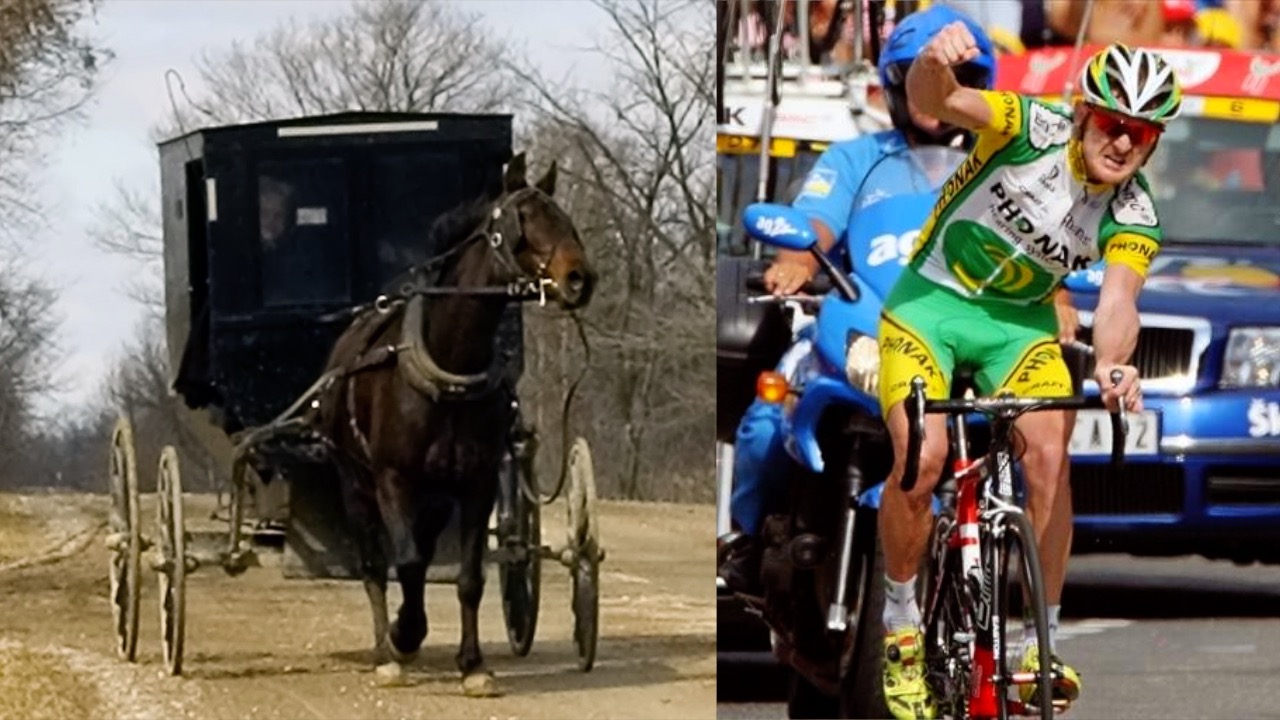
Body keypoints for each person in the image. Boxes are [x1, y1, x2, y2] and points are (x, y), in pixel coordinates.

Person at [875, 30, 1180, 719]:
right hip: (929, 306)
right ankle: (898, 624)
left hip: (1020, 326)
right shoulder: (1027, 125)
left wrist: (1111, 364)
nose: (1125, 144)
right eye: (1114, 123)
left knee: (1048, 457)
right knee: (920, 459)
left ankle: (1041, 640)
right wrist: (931, 63)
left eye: (1144, 133)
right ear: (1082, 111)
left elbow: (1119, 300)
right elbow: (939, 99)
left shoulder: (1135, 211)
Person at [717, 5, 1001, 594]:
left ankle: (996, 554)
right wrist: (798, 257)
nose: (934, 93)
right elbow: (815, 219)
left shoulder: (1000, 166)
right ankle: (745, 538)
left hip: (964, 335)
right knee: (770, 415)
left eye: (956, 80)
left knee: (1024, 428)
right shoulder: (855, 157)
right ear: (894, 85)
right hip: (863, 328)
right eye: (914, 76)